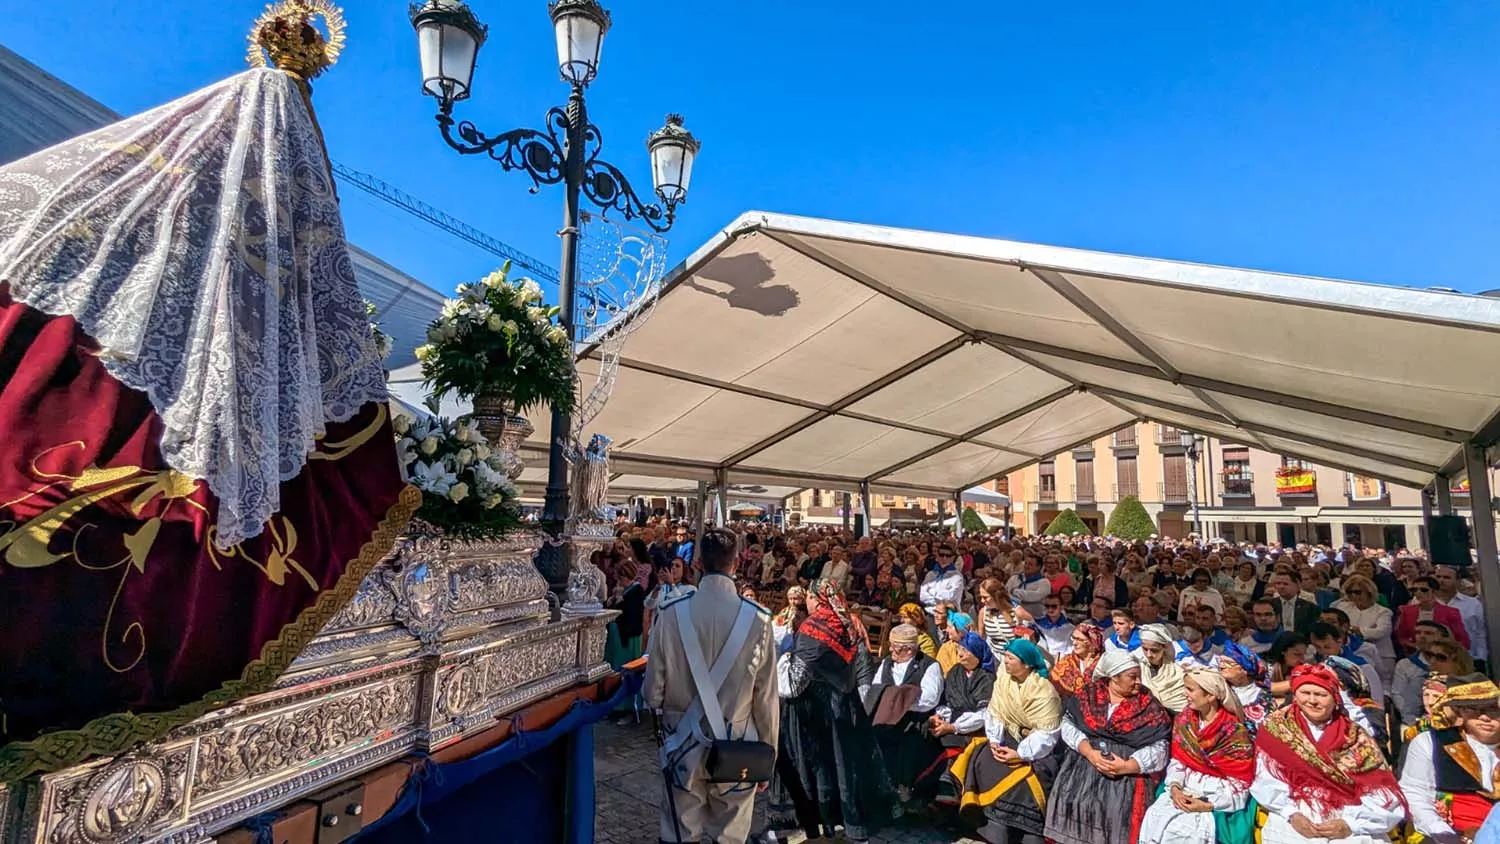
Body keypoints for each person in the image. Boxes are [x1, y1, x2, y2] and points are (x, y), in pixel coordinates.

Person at [644, 527, 779, 844]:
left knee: (679, 832)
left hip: (682, 743)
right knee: (730, 836)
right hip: (739, 742)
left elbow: (652, 692)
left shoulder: (671, 613)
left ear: (698, 563)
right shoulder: (758, 620)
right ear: (737, 563)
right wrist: (768, 752)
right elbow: (767, 698)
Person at [781, 578, 892, 843]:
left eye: (808, 595)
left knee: (819, 765)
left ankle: (821, 819)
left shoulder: (813, 627)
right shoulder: (849, 624)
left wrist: (784, 661)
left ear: (816, 598)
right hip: (846, 706)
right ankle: (849, 821)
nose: (806, 600)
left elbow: (796, 682)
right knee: (844, 764)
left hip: (815, 709)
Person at [1249, 664, 1406, 844]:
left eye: (1321, 695)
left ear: (1335, 698)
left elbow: (1381, 791)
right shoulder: (1277, 728)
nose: (1312, 701)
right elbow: (1265, 779)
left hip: (1348, 820)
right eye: (1305, 693)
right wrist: (1291, 814)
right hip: (1293, 822)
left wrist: (1350, 824)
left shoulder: (1355, 737)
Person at [1044, 649, 1173, 844]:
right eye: (1133, 677)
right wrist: (1088, 752)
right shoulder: (1089, 696)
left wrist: (1128, 766)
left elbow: (1160, 748)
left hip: (1125, 777)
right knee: (1072, 803)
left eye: (1139, 676)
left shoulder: (1148, 706)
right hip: (1083, 766)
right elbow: (1068, 725)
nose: (1139, 681)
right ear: (1113, 677)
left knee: (1114, 814)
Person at [951, 639, 1062, 844]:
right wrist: (994, 740)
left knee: (1025, 782)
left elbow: (1048, 734)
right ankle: (992, 827)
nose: (1006, 661)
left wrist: (1021, 754)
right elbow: (995, 712)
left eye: (1011, 658)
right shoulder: (1003, 679)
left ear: (1026, 664)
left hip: (1038, 750)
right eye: (1006, 656)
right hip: (1006, 739)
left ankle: (1027, 833)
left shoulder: (1044, 692)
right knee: (982, 759)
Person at [1138, 669, 1256, 844]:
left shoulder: (1233, 731)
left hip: (1218, 795)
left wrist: (1207, 805)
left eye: (1190, 689)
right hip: (1184, 786)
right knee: (1154, 818)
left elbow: (1240, 783)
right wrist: (1175, 788)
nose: (1185, 694)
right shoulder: (1185, 720)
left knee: (1185, 831)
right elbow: (1179, 760)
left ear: (1210, 696)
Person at [1399, 675, 1500, 843]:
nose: (1484, 717)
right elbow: (1416, 796)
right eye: (1473, 709)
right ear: (1459, 710)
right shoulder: (1429, 743)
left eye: (1493, 710)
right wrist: (1447, 835)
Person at [869, 623, 944, 804]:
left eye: (895, 648)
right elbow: (877, 688)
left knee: (909, 740)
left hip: (915, 719)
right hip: (888, 718)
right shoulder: (887, 663)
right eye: (892, 646)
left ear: (909, 649)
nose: (891, 651)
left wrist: (901, 702)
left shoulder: (929, 666)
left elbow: (929, 699)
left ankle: (905, 791)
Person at [1331, 574, 1395, 686]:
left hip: (1381, 655)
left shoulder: (1383, 611)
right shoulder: (1342, 607)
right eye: (1350, 592)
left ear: (1369, 592)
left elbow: (1381, 632)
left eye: (1357, 592)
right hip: (1349, 653)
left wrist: (1356, 630)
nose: (1353, 596)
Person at [1392, 621, 1453, 726]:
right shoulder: (1405, 664)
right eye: (1418, 633)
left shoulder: (1454, 662)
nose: (1422, 636)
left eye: (1428, 633)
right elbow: (1397, 694)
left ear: (1442, 637)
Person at [1397, 575, 1473, 653]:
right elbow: (1402, 636)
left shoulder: (1450, 612)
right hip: (1417, 655)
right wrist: (1414, 646)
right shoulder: (1407, 611)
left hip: (1443, 655)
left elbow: (1463, 641)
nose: (1418, 593)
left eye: (1424, 590)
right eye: (1414, 590)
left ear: (1435, 592)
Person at [1435, 565, 1487, 668]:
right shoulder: (1424, 603)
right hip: (1435, 660)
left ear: (1458, 581)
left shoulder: (1472, 604)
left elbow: (1480, 632)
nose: (1441, 580)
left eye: (1446, 577)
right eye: (1438, 577)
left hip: (1469, 658)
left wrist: (1481, 656)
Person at [1137, 624, 1188, 713]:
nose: (1149, 654)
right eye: (1145, 649)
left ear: (1164, 648)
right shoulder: (1137, 668)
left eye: (1154, 650)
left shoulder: (1178, 672)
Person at [1052, 624, 1105, 699]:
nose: (1074, 643)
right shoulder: (1066, 662)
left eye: (1079, 639)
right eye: (1073, 638)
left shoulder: (1104, 663)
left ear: (1092, 642)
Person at [1266, 570, 1321, 636]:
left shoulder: (1310, 607)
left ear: (1297, 585)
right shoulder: (1269, 605)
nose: (1281, 587)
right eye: (1278, 583)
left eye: (1285, 584)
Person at [978, 578, 1020, 664]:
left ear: (996, 596)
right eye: (981, 597)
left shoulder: (1016, 612)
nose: (982, 601)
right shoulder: (983, 612)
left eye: (985, 597)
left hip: (1015, 658)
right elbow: (981, 637)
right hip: (995, 658)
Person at [1007, 554, 1052, 618]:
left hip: (1036, 618)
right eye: (1026, 563)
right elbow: (1007, 594)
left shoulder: (1044, 582)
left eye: (1030, 564)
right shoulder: (1015, 578)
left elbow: (1036, 596)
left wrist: (1015, 592)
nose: (1026, 566)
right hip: (1015, 616)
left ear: (1038, 567)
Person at [1033, 594, 1075, 660]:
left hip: (1063, 662)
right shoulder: (1037, 625)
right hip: (1044, 660)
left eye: (1054, 606)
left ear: (1061, 607)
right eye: (1047, 606)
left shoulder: (1070, 628)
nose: (1050, 609)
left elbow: (1071, 649)